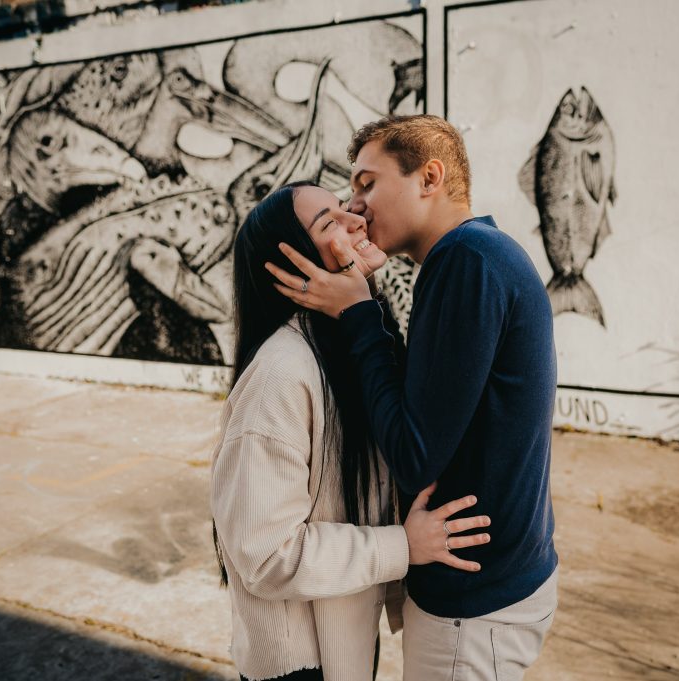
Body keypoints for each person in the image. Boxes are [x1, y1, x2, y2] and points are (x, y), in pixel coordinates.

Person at [267, 115, 559, 680]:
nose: (355, 207)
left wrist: (358, 314)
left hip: (473, 607)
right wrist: (368, 299)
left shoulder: (465, 261)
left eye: (367, 183)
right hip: (498, 583)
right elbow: (429, 400)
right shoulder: (478, 256)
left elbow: (412, 451)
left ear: (429, 177)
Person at [209, 181, 493, 681]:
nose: (356, 220)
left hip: (344, 645)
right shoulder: (280, 375)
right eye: (329, 223)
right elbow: (265, 553)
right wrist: (403, 546)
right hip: (298, 665)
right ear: (295, 264)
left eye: (345, 207)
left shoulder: (346, 346)